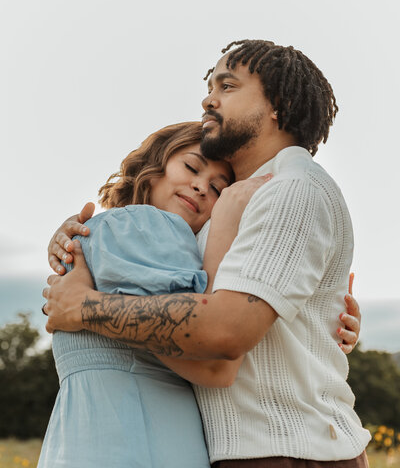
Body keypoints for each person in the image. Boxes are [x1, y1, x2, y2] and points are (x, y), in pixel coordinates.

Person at [44, 39, 368, 467]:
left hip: (291, 451)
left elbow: (223, 333)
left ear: (280, 104)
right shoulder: (228, 210)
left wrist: (85, 307)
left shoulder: (290, 188)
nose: (208, 99)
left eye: (228, 86)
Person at [38, 121, 270, 468]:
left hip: (112, 441)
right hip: (135, 439)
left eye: (219, 189)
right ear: (153, 169)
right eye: (191, 167)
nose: (200, 186)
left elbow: (212, 361)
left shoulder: (118, 231)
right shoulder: (137, 228)